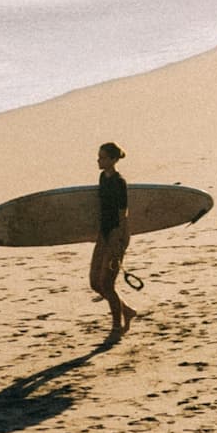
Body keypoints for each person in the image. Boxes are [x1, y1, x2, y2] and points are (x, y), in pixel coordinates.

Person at [89, 139, 140, 338]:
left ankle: (117, 326)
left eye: (102, 158)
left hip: (116, 235)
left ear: (112, 160)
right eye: (98, 157)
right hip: (103, 234)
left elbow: (122, 213)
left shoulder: (119, 183)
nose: (98, 160)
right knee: (95, 283)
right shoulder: (103, 177)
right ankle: (127, 311)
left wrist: (118, 240)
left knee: (107, 284)